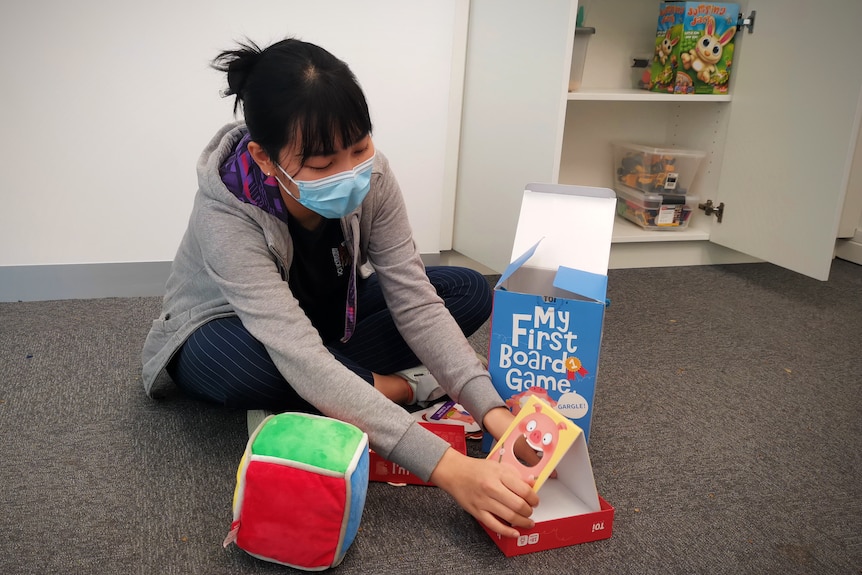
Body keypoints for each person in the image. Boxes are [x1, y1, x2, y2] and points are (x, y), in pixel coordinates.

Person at [141, 37, 538, 538]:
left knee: (466, 289)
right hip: (228, 331)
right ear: (266, 159)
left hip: (328, 323)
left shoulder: (374, 176)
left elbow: (413, 298)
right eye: (322, 165)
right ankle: (392, 387)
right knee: (245, 364)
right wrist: (451, 470)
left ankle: (336, 389)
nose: (349, 172)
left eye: (359, 148)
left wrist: (495, 412)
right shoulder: (225, 211)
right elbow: (295, 351)